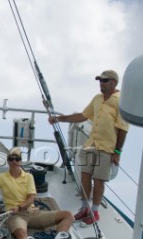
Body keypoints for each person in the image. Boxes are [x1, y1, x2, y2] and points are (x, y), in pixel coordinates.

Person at [48, 70, 129, 226]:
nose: (101, 83)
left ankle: (95, 211)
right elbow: (82, 116)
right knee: (85, 176)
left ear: (113, 82)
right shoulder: (97, 99)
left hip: (106, 148)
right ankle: (85, 208)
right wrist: (59, 119)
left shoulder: (120, 102)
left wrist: (117, 152)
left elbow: (123, 129)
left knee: (99, 181)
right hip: (90, 145)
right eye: (100, 81)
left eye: (104, 81)